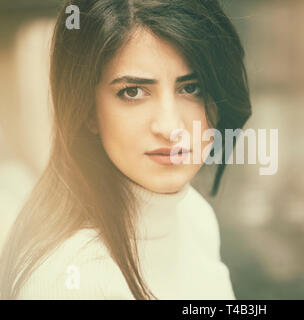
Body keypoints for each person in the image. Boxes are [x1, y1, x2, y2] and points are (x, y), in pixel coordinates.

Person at [0, 0, 251, 300]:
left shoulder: (194, 215)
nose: (171, 127)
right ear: (88, 111)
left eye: (191, 88)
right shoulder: (67, 279)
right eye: (133, 92)